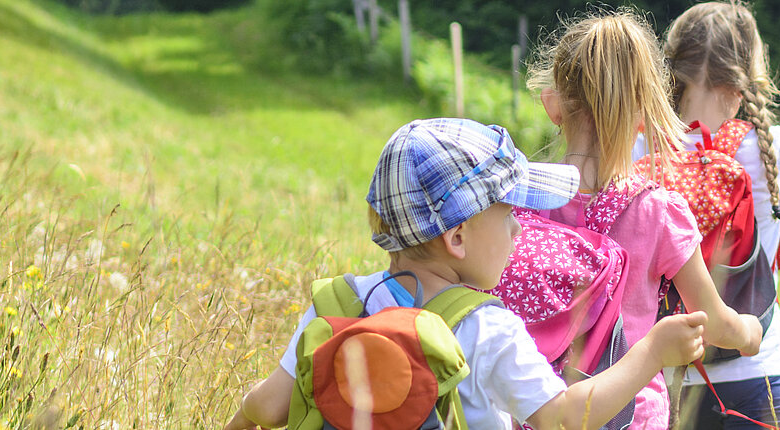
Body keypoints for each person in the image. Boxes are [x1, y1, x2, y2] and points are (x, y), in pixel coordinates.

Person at [222, 118, 712, 430]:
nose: (521, 228)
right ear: (456, 239)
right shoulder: (486, 328)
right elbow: (563, 419)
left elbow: (267, 409)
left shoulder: (337, 303)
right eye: (507, 215)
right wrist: (652, 351)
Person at [528, 9, 765, 429]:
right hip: (631, 415)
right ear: (644, 114)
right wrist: (748, 331)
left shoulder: (520, 201)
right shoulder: (658, 212)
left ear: (553, 104)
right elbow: (712, 322)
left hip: (538, 408)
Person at [645, 2, 780, 428]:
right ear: (746, 76)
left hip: (666, 373)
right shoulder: (770, 146)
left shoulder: (642, 146)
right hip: (754, 366)